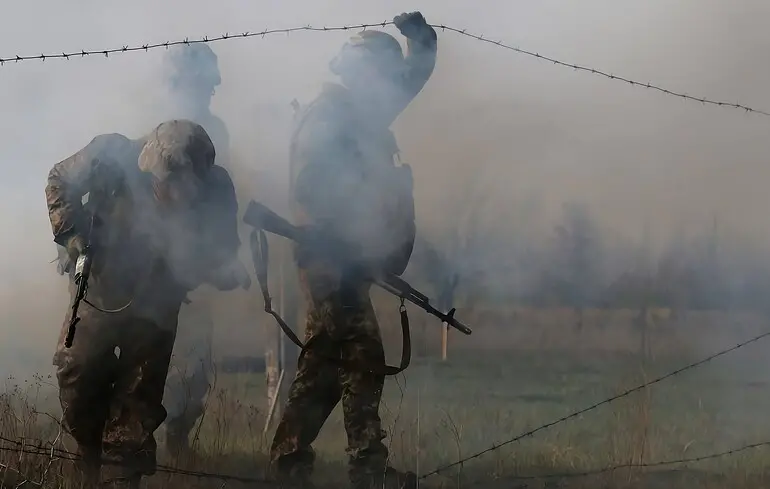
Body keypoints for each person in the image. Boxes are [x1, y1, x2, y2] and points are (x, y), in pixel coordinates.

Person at [269, 11, 438, 489]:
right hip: (328, 259)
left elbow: (412, 78)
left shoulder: (361, 113)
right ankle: (367, 467)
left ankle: (287, 461)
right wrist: (346, 233)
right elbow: (310, 187)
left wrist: (420, 38)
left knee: (324, 366)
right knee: (363, 355)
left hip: (344, 258)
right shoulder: (327, 117)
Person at [46, 119, 250, 488]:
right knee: (75, 372)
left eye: (184, 189)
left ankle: (121, 477)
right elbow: (58, 180)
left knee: (138, 400)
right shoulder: (110, 157)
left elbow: (222, 247)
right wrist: (72, 236)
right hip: (102, 289)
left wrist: (221, 269)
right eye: (166, 185)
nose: (174, 196)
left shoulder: (217, 189)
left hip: (158, 301)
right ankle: (88, 450)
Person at [159, 43, 239, 455]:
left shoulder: (214, 131)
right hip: (152, 265)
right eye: (206, 80)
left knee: (195, 364)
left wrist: (218, 256)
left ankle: (176, 437)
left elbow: (215, 196)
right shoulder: (155, 127)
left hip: (193, 266)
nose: (213, 87)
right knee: (146, 357)